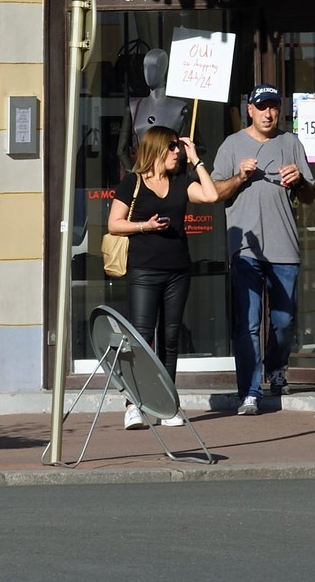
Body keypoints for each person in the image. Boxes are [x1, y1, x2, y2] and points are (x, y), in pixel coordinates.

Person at [209, 82, 315, 413]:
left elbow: (310, 196)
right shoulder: (231, 145)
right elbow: (214, 191)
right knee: (249, 322)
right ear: (250, 111)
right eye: (262, 107)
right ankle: (250, 392)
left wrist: (299, 179)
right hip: (245, 250)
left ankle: (276, 367)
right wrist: (240, 177)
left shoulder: (290, 143)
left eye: (273, 107)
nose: (269, 113)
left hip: (284, 247)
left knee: (283, 321)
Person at [107, 125, 219, 428]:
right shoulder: (132, 183)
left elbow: (211, 195)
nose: (177, 152)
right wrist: (145, 226)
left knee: (171, 339)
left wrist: (196, 159)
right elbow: (114, 224)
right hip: (144, 270)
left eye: (178, 147)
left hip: (178, 271)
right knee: (142, 338)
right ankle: (134, 404)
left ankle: (168, 405)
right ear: (156, 148)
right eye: (172, 147)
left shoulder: (181, 181)